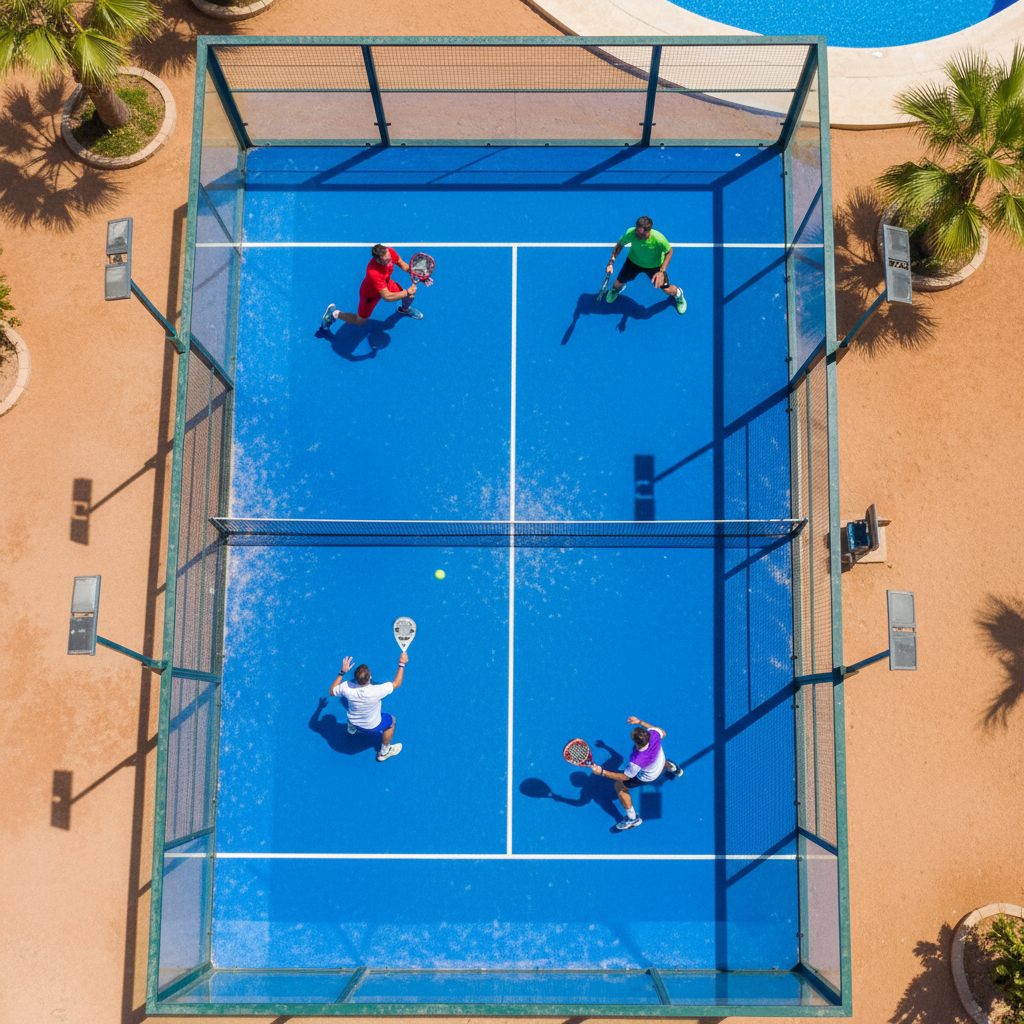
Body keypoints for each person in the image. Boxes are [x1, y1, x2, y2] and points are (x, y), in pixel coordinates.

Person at [590, 715, 683, 830]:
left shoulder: (636, 760)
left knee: (619, 787)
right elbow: (663, 732)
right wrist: (640, 722)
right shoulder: (654, 734)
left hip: (648, 776)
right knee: (660, 760)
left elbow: (625, 776)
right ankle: (674, 769)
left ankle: (633, 818)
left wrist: (602, 772)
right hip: (660, 763)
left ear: (636, 742)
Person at [329, 651, 408, 761]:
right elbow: (397, 683)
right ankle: (383, 753)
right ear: (370, 676)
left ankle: (351, 728)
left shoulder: (346, 687)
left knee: (347, 704)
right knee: (392, 721)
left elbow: (331, 692)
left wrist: (342, 672)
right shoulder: (377, 690)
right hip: (371, 726)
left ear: (356, 679)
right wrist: (402, 663)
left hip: (354, 721)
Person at [322, 244, 422, 328]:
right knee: (360, 321)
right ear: (378, 260)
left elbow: (402, 264)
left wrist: (418, 274)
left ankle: (405, 309)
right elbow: (386, 296)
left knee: (409, 296)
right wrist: (407, 291)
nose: (390, 262)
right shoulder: (374, 272)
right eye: (386, 261)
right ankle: (335, 314)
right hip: (370, 295)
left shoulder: (390, 252)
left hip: (386, 284)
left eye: (390, 258)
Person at [604, 216, 686, 314]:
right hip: (633, 262)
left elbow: (669, 251)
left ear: (648, 231)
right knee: (616, 285)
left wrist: (661, 271)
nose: (637, 234)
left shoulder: (659, 239)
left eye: (640, 233)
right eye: (636, 231)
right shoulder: (631, 233)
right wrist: (611, 262)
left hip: (654, 266)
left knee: (667, 290)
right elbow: (620, 245)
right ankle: (617, 290)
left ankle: (679, 294)